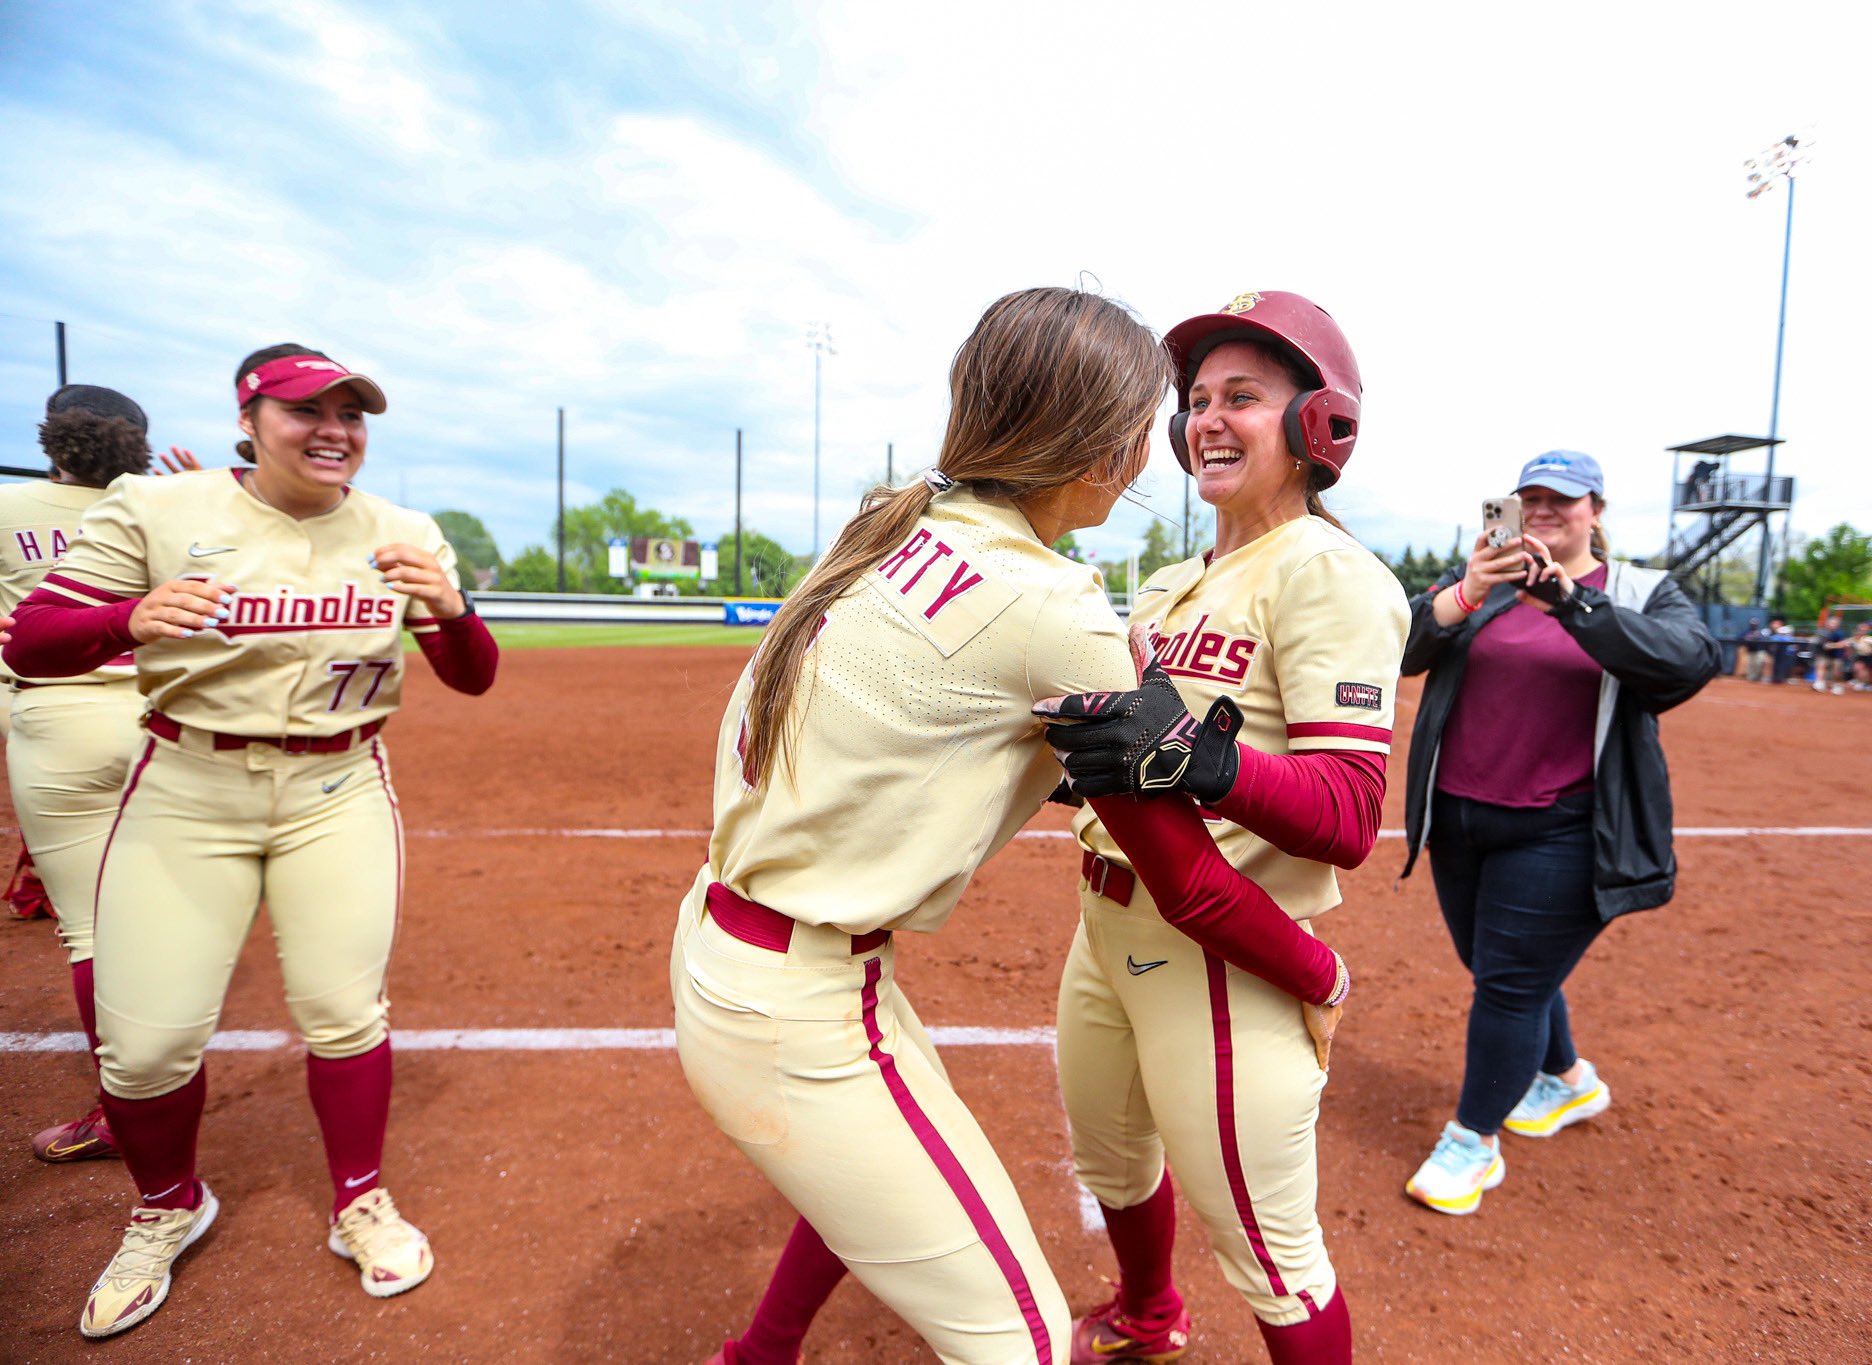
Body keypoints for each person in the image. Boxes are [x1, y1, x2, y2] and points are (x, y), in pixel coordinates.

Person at [674, 288, 1351, 1365]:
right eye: (1157, 416)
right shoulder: (1055, 605)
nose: (1166, 438)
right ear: (1103, 453)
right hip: (799, 1000)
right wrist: (1318, 973)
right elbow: (1192, 884)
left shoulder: (888, 523)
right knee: (1026, 1344)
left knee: (889, 1164)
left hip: (734, 944)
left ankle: (758, 1351)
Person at [4, 344, 499, 1339]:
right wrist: (129, 617)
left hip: (335, 786)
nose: (334, 430)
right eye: (306, 411)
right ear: (249, 419)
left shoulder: (401, 529)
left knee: (343, 1012)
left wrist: (449, 610)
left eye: (352, 414)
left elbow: (472, 674)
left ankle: (358, 1197)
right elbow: (31, 640)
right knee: (144, 1046)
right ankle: (167, 1206)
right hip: (188, 786)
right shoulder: (160, 510)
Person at [1032, 291, 1407, 1363]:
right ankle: (1148, 1313)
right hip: (1104, 926)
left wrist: (1210, 763)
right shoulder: (1164, 583)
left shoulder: (1327, 574)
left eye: (1241, 397)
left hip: (1221, 955)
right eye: (1195, 400)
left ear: (1313, 424)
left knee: (1272, 1255)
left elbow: (1345, 818)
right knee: (1109, 1161)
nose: (1206, 419)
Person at [1396, 449, 1719, 1214]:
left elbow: (1685, 660)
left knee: (1508, 987)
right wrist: (1467, 592)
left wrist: (1573, 600)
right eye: (1528, 497)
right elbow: (1399, 651)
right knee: (1505, 970)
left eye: (1562, 499)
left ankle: (1473, 1142)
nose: (1542, 510)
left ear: (1595, 511)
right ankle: (1567, 1078)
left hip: (1564, 827)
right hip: (1460, 819)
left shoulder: (1639, 588)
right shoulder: (1485, 582)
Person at [0, 385, 173, 1164]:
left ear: (54, 440)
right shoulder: (160, 507)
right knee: (169, 905)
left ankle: (122, 1107)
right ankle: (172, 1053)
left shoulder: (9, 508)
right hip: (153, 718)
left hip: (54, 723)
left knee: (92, 932)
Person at [1850, 621, 1872, 691]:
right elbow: (1848, 642)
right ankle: (1862, 683)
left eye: (1865, 628)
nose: (1862, 629)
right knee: (1857, 668)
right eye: (1861, 628)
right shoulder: (1859, 637)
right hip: (1862, 655)